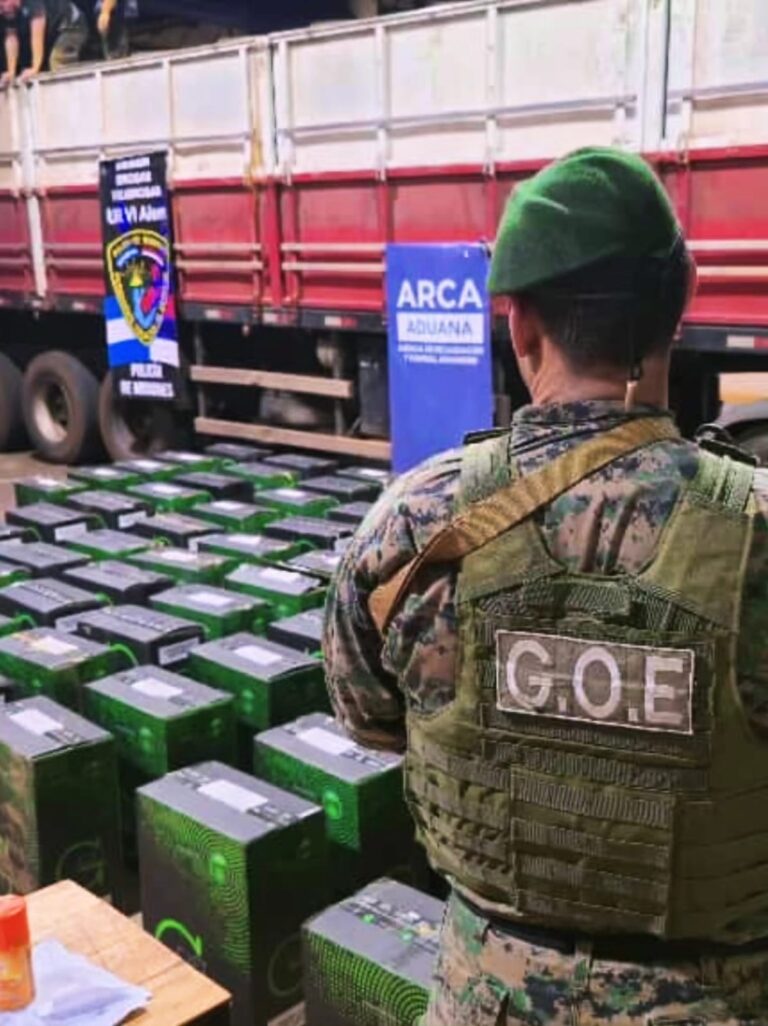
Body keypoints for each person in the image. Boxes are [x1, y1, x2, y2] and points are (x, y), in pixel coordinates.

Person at [323, 146, 768, 1024]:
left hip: (488, 997)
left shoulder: (412, 526)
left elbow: (370, 721)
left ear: (521, 328)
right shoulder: (755, 535)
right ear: (673, 318)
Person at [0, 0, 87, 80]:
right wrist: (11, 72)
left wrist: (35, 68)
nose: (2, 7)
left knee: (57, 59)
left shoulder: (32, 2)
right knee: (44, 65)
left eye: (4, 1)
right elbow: (11, 38)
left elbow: (37, 33)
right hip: (53, 30)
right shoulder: (8, 11)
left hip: (72, 25)